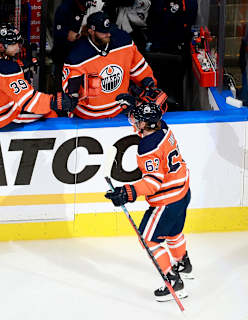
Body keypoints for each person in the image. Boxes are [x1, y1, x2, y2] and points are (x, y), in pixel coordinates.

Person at [104, 101, 193, 302]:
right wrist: (134, 108)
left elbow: (152, 184)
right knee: (173, 232)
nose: (134, 121)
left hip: (167, 201)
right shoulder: (164, 127)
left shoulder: (147, 146)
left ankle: (174, 283)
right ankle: (183, 263)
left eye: (138, 120)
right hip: (183, 192)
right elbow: (150, 119)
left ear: (145, 125)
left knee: (148, 239)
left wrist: (127, 192)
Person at [0, 23, 78, 131]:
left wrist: (21, 65)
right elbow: (29, 100)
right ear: (1, 46)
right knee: (51, 112)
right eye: (14, 44)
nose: (18, 47)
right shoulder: (7, 70)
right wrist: (55, 102)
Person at [62, 11, 158, 119]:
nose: (108, 34)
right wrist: (73, 96)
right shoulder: (77, 55)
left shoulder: (123, 41)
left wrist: (149, 85)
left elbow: (139, 69)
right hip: (87, 117)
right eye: (103, 32)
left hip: (119, 111)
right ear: (91, 31)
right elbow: (69, 90)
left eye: (108, 30)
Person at [52, 0, 90, 91]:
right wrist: (73, 35)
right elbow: (59, 32)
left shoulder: (91, 6)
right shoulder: (65, 8)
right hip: (64, 55)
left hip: (81, 58)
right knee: (61, 88)